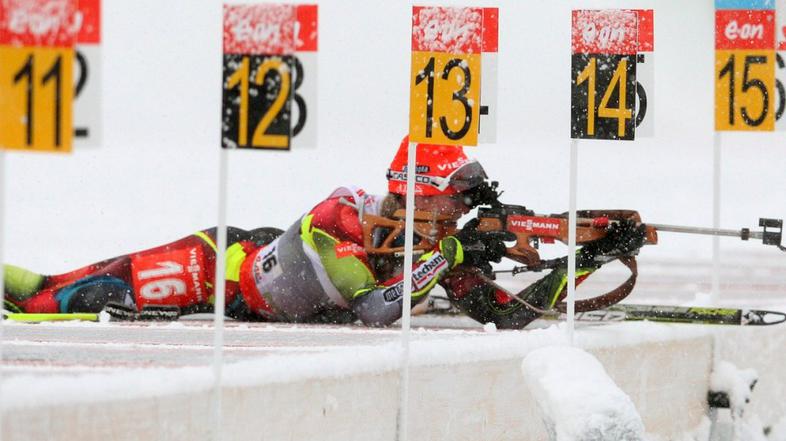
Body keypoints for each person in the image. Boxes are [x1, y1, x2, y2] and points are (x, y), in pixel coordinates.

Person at [3, 136, 647, 328]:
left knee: (59, 293)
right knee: (60, 297)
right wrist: (451, 249)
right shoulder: (338, 218)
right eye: (451, 205)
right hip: (215, 268)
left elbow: (511, 313)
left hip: (244, 276)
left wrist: (589, 257)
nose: (457, 218)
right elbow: (372, 308)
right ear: (418, 196)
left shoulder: (428, 245)